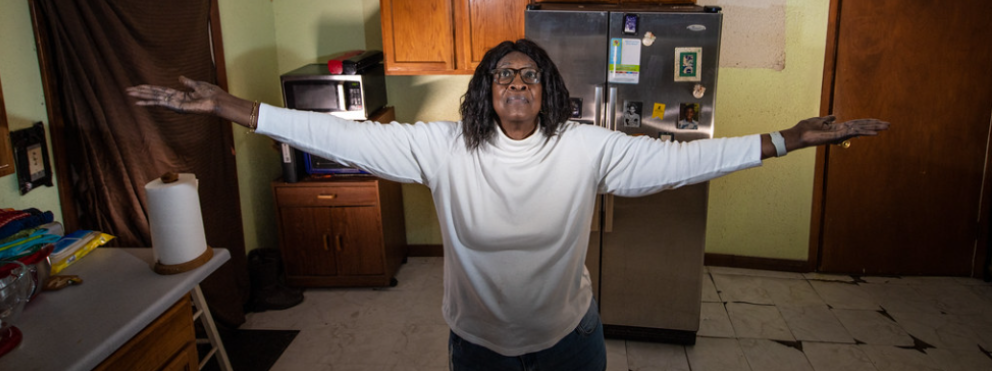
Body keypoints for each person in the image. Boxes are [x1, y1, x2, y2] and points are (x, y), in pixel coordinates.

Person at [127, 39, 889, 371]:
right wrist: (231, 105)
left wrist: (786, 139)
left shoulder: (584, 146)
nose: (517, 86)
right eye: (503, 77)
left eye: (528, 77)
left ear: (547, 89)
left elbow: (681, 162)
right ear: (485, 93)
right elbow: (340, 136)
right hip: (480, 348)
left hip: (570, 342)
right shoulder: (441, 149)